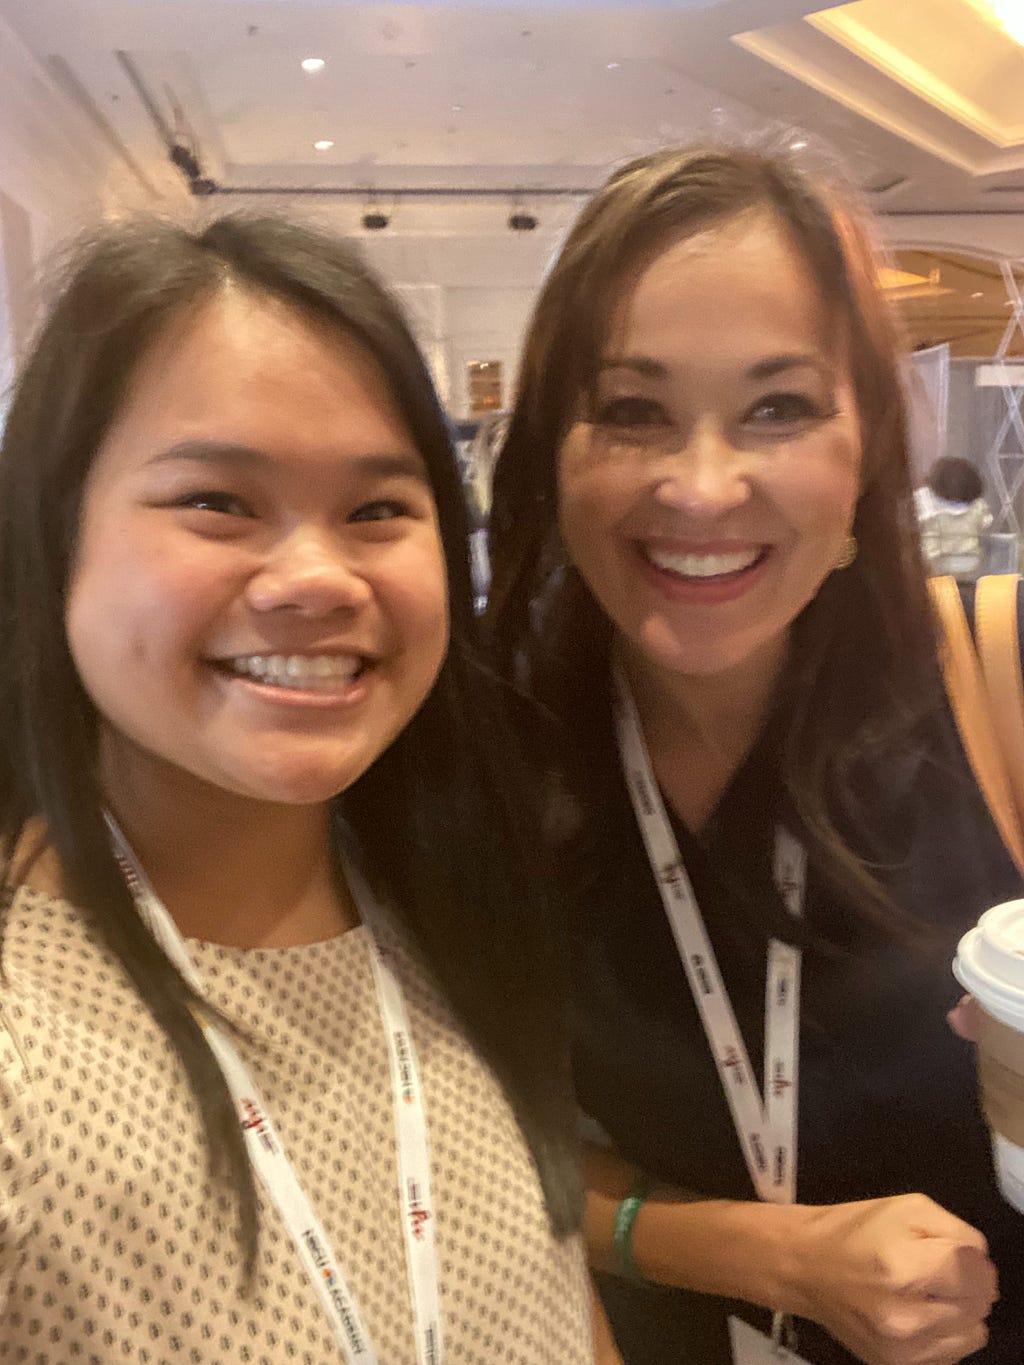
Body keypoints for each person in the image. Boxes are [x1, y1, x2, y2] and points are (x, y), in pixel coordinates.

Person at [0, 213, 597, 1363]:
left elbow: (560, 1302)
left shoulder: (458, 914)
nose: (317, 578)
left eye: (379, 510)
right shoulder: (28, 1059)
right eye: (217, 502)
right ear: (51, 536)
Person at [486, 144, 1024, 1364]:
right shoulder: (487, 750)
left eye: (779, 407)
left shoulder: (1000, 677)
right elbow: (465, 1143)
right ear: (551, 453)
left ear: (866, 449)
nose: (703, 486)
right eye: (631, 410)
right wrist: (770, 1256)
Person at [914, 456, 994, 580]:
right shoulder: (977, 505)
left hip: (934, 565)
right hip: (968, 564)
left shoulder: (923, 500)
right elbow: (985, 523)